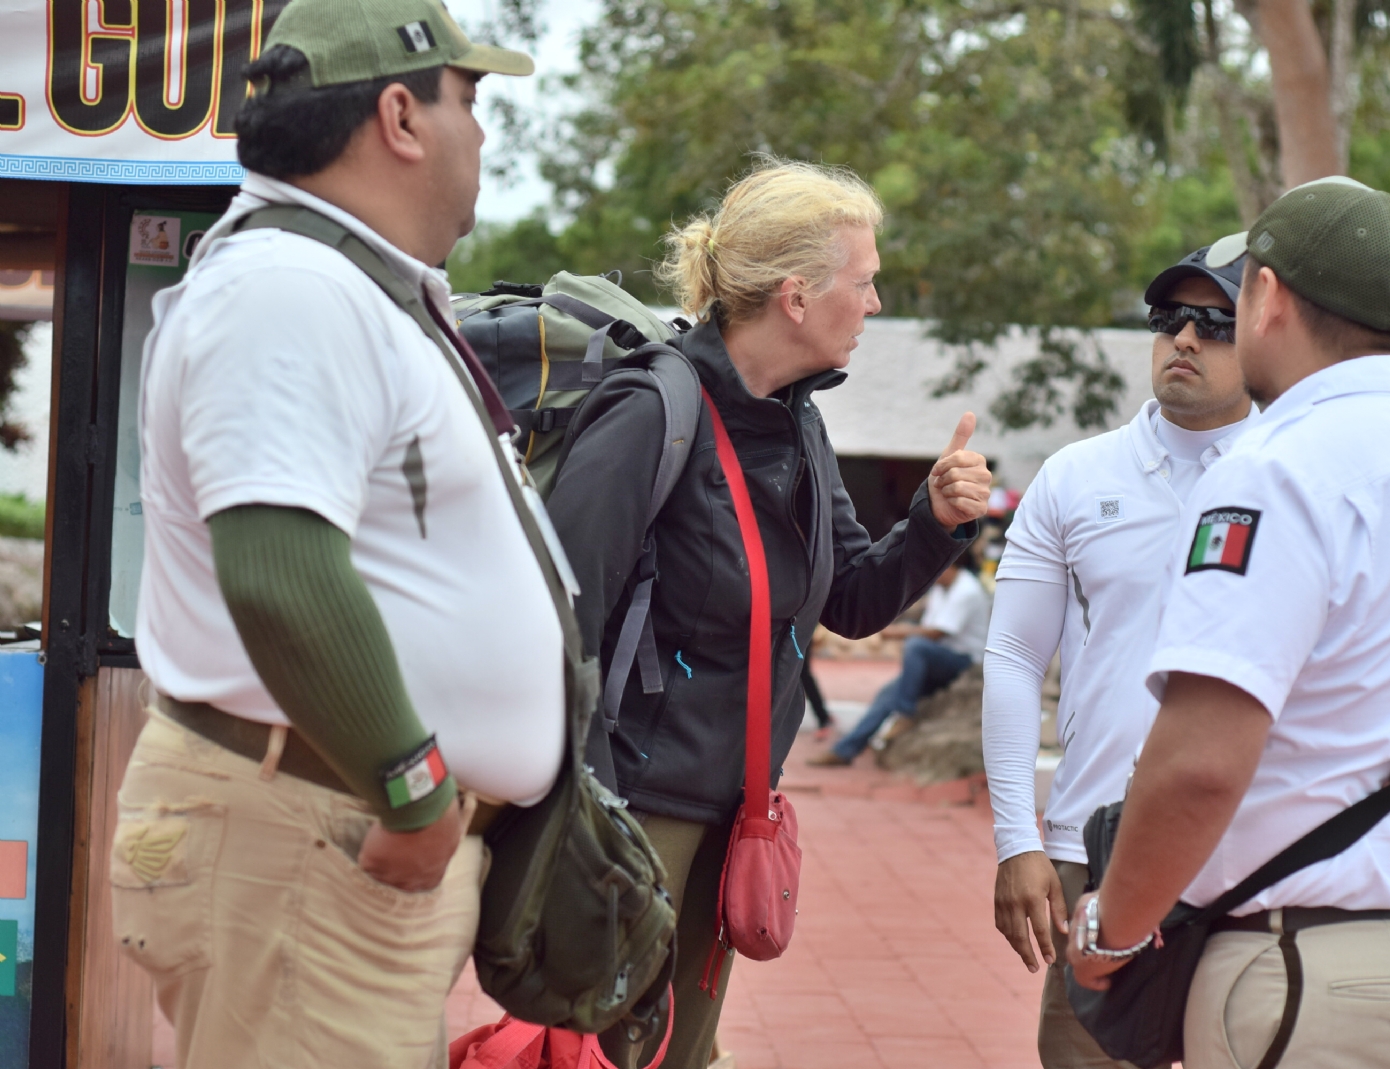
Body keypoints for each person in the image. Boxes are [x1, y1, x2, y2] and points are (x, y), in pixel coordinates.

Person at [1066, 179, 1390, 1069]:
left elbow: (1197, 765)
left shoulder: (1269, 473)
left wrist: (1108, 934)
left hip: (1311, 972)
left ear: (1265, 294)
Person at [116, 3, 550, 1065]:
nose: (483, 135)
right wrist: (412, 791)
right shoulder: (289, 288)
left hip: (319, 826)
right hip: (313, 826)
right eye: (471, 100)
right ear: (400, 115)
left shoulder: (324, 281)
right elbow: (279, 575)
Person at [544, 158, 992, 1069]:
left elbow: (853, 599)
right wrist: (582, 825)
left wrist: (934, 520)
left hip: (734, 807)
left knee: (678, 1055)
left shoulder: (796, 423)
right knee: (601, 1055)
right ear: (795, 295)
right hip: (633, 811)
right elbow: (558, 619)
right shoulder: (651, 409)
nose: (873, 305)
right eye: (863, 283)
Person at [983, 241, 1259, 1068]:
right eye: (1169, 318)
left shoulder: (1293, 475)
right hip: (1090, 847)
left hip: (1251, 846)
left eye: (1216, 323)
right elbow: (1013, 655)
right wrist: (1015, 838)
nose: (1185, 339)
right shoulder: (1075, 476)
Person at [808, 549, 991, 766]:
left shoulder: (966, 590)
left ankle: (905, 712)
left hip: (963, 661)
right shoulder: (941, 589)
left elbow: (937, 632)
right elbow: (926, 625)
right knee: (887, 694)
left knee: (916, 647)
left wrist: (895, 632)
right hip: (938, 658)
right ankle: (845, 749)